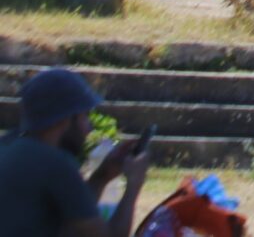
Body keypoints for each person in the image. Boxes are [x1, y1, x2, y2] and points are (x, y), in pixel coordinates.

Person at [0, 66, 153, 237]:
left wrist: (102, 176)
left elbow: (73, 226)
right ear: (66, 118)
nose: (88, 129)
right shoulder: (55, 163)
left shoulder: (8, 146)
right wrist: (133, 185)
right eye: (85, 116)